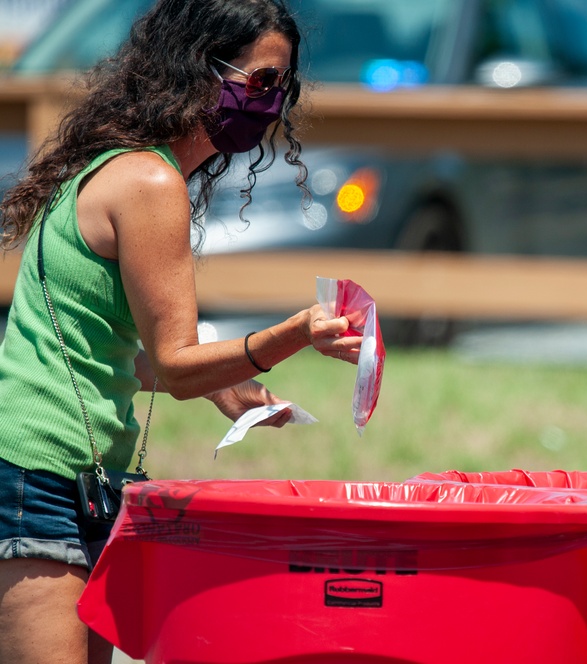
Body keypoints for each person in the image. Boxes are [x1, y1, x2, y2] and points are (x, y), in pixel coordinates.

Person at [0, 1, 364, 662]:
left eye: (283, 88)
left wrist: (224, 386)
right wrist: (294, 334)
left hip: (79, 478)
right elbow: (174, 363)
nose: (272, 104)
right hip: (35, 477)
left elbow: (108, 352)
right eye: (259, 83)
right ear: (198, 69)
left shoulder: (129, 166)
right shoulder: (148, 182)